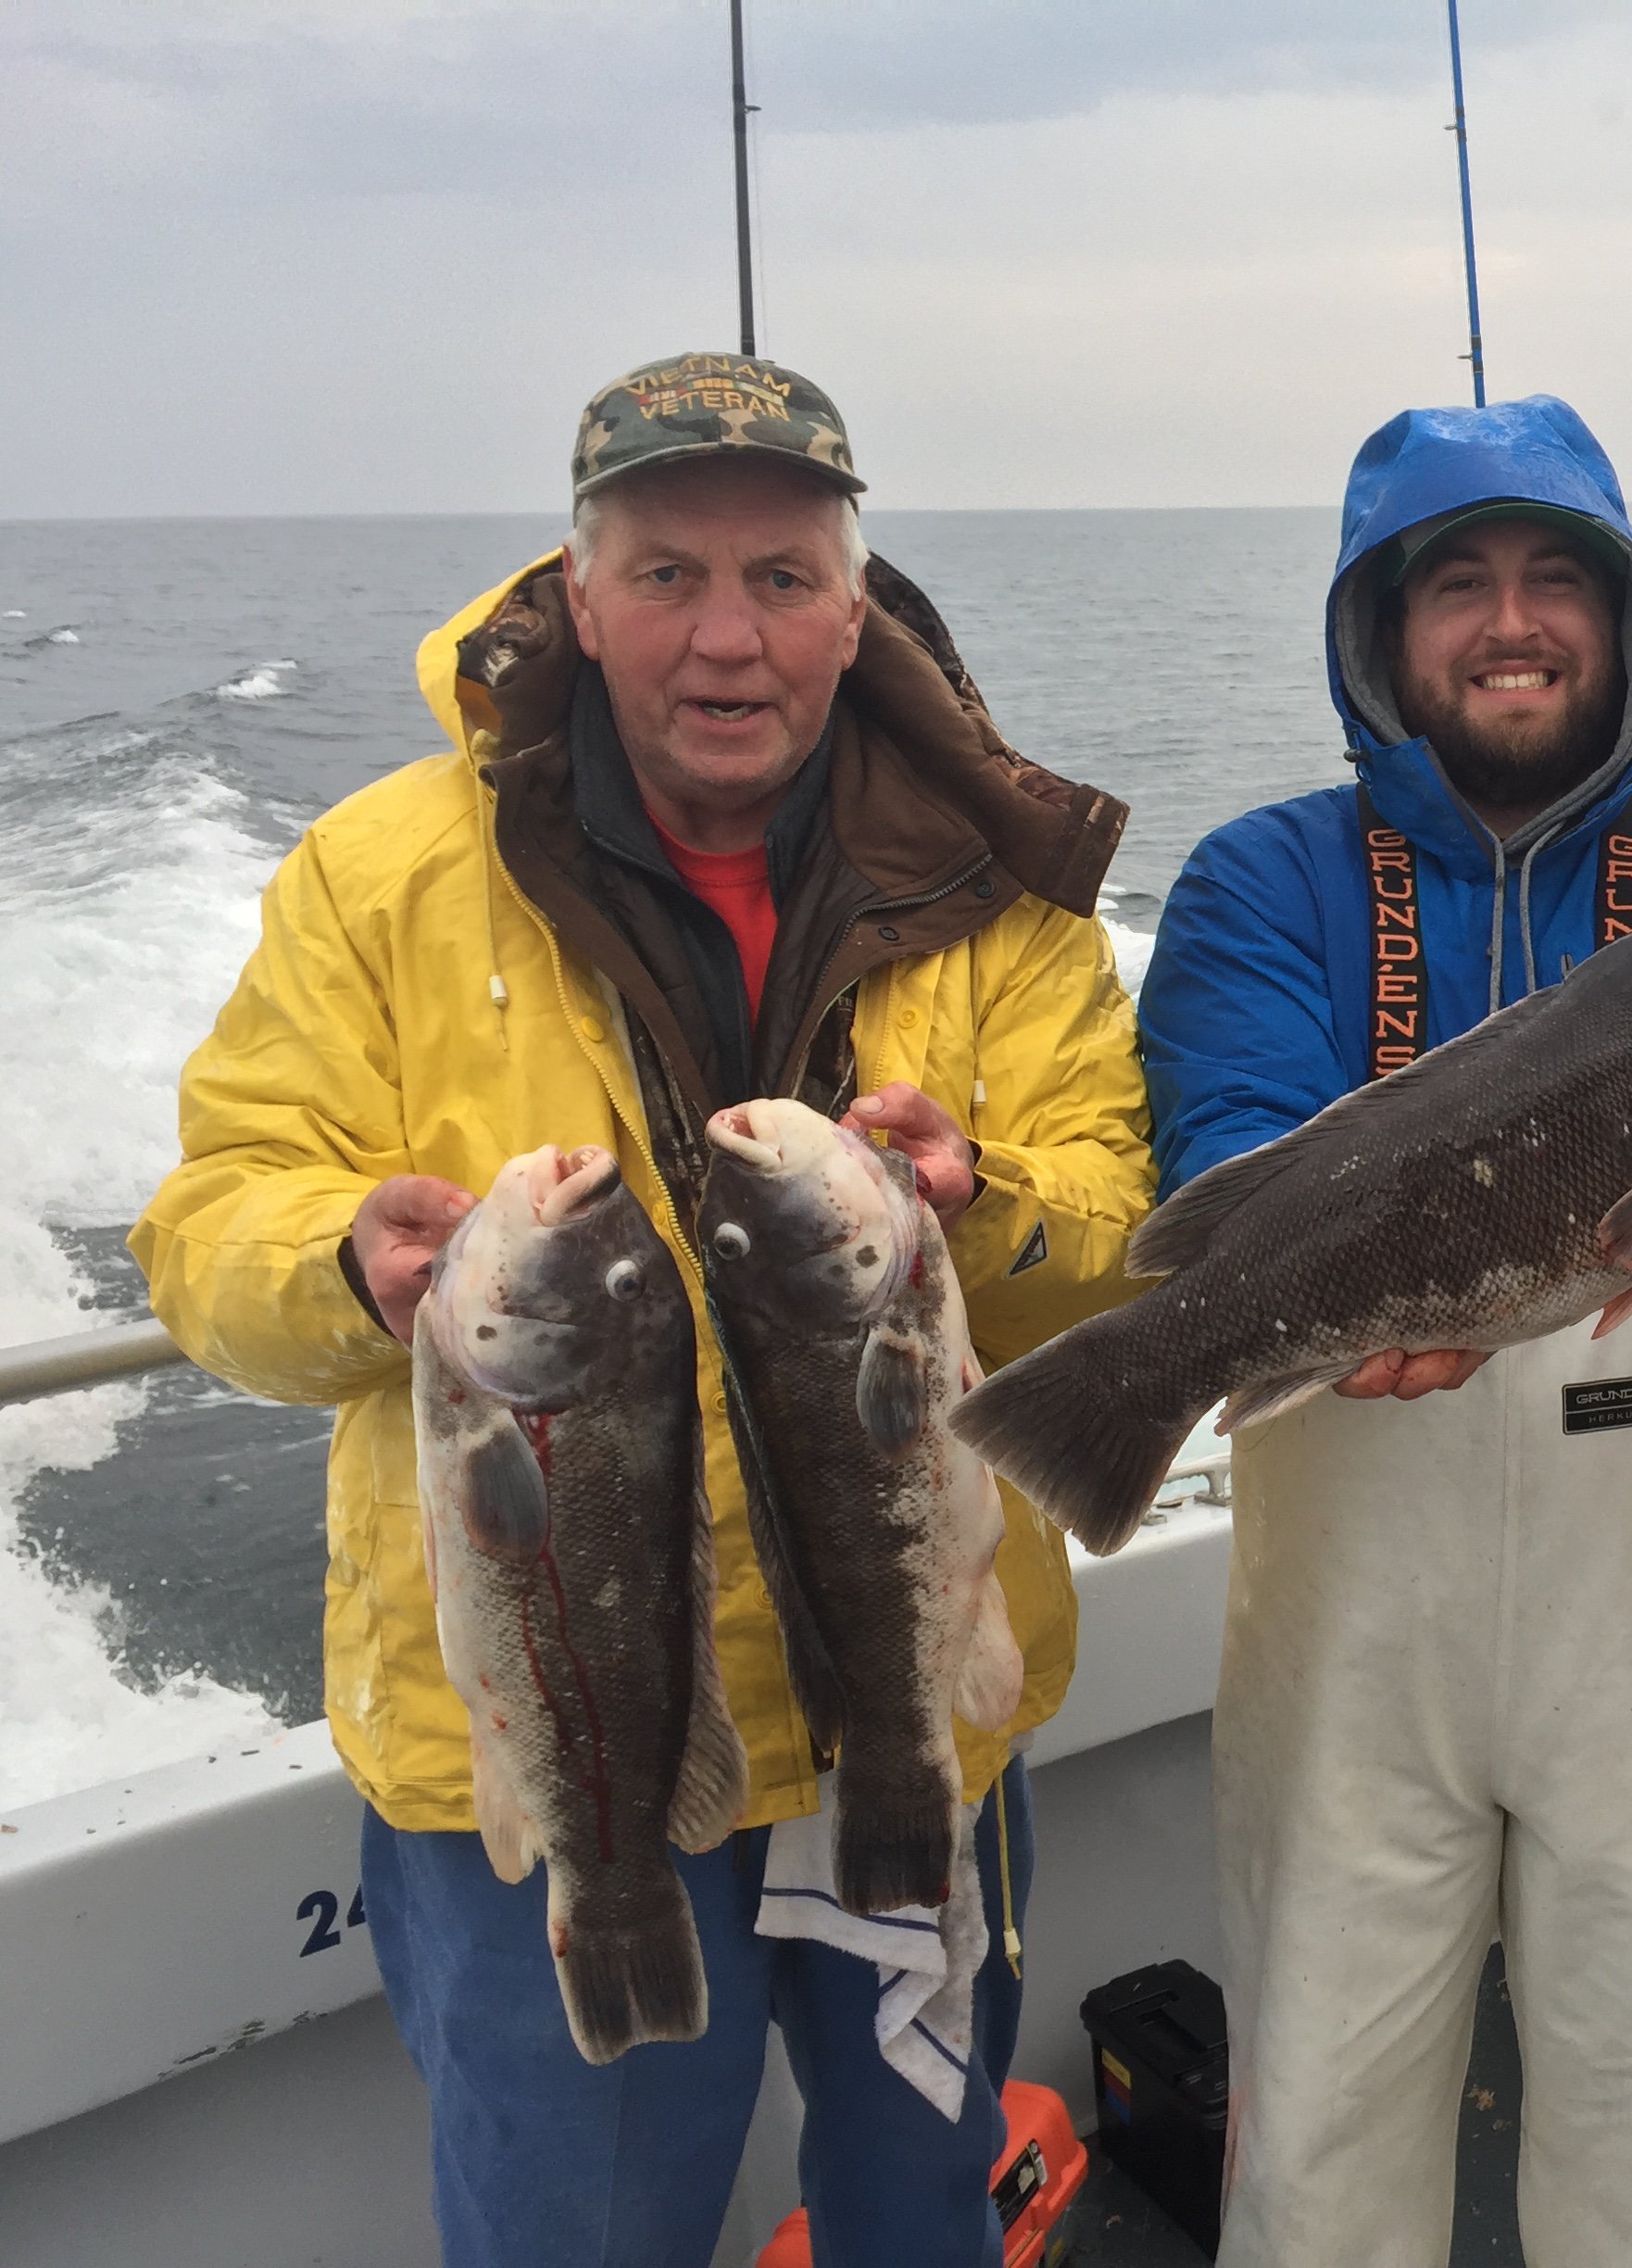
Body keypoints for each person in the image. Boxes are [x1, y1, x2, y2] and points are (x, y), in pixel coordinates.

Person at [132, 352, 1154, 2268]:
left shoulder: (1009, 896)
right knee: (577, 2235)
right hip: (543, 1725)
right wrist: (343, 1264)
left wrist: (987, 1208)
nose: (726, 635)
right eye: (667, 573)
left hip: (908, 1707)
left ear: (854, 610)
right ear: (578, 598)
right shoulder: (379, 878)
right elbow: (207, 1227)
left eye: (781, 578)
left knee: (923, 2220)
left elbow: (1118, 1232)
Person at [1138, 394, 1632, 2265]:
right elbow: (1230, 1136)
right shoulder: (1262, 878)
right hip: (1352, 1618)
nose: (1511, 622)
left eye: (1558, 577)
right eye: (1457, 583)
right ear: (1381, 632)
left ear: (1622, 621)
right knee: (1315, 2135)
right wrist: (1332, 1293)